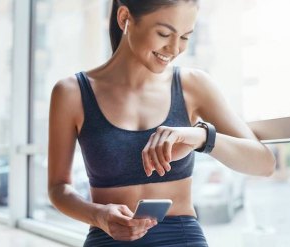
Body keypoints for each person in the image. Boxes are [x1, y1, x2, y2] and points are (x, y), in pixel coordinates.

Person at [47, 0, 276, 246]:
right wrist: (99, 216)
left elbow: (263, 164)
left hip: (182, 237)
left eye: (186, 37)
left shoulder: (193, 85)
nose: (175, 48)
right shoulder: (71, 93)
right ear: (125, 18)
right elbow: (58, 188)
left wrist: (200, 137)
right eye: (164, 33)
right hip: (107, 239)